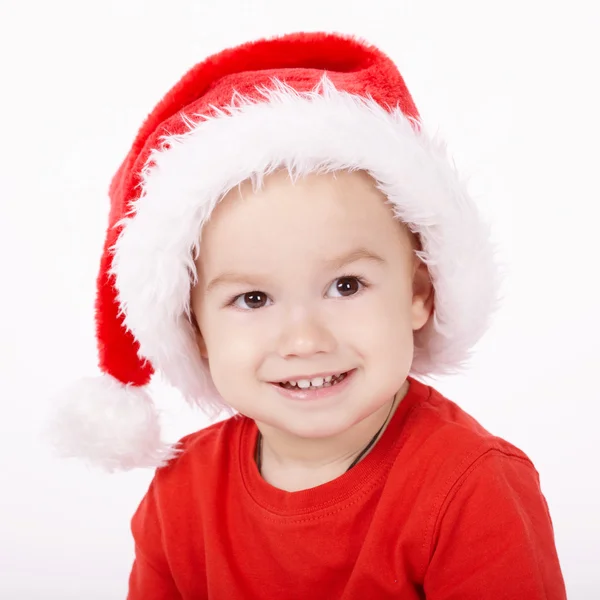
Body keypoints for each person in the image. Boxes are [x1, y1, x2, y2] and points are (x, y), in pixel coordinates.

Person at [46, 32, 567, 599]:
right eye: (252, 299)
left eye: (346, 285)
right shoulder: (179, 495)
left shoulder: (472, 488)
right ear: (194, 330)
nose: (303, 339)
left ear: (420, 292)